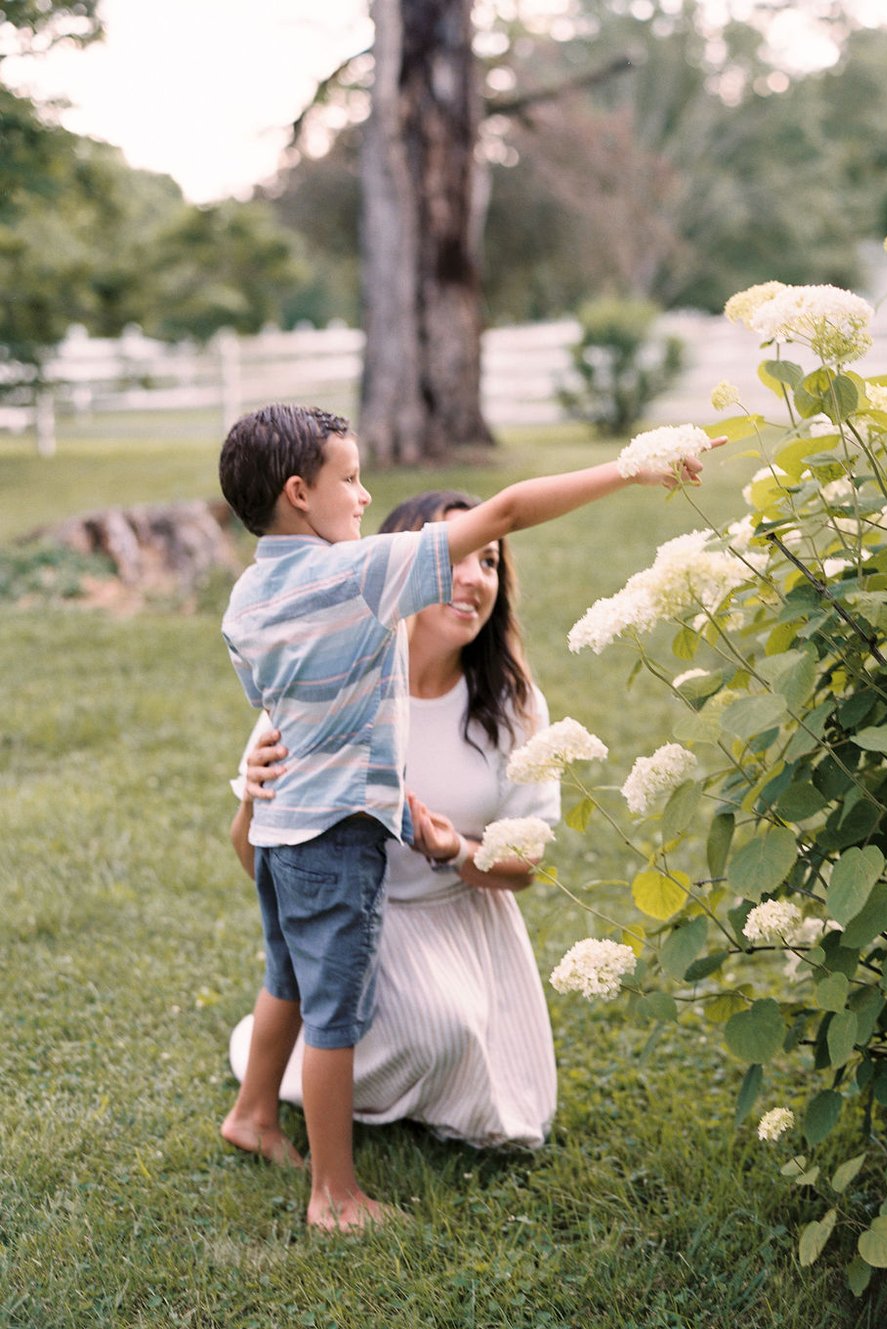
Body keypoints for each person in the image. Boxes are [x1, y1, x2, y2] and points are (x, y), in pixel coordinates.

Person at [217, 402, 710, 1234]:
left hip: (284, 839)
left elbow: (273, 699)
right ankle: (334, 1192)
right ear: (300, 493)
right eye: (352, 479)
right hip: (336, 838)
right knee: (332, 1015)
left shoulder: (246, 597)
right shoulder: (361, 573)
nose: (366, 496)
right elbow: (510, 507)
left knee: (287, 979)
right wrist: (631, 467)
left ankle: (253, 1113)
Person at [229, 488, 561, 1155]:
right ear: (404, 567)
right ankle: (295, 1066)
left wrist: (455, 848)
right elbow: (259, 860)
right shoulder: (335, 675)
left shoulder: (513, 705)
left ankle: (364, 1061)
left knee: (482, 1069)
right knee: (434, 1030)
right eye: (458, 553)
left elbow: (527, 866)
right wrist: (252, 799)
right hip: (356, 912)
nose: (473, 576)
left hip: (463, 914)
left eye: (490, 561)